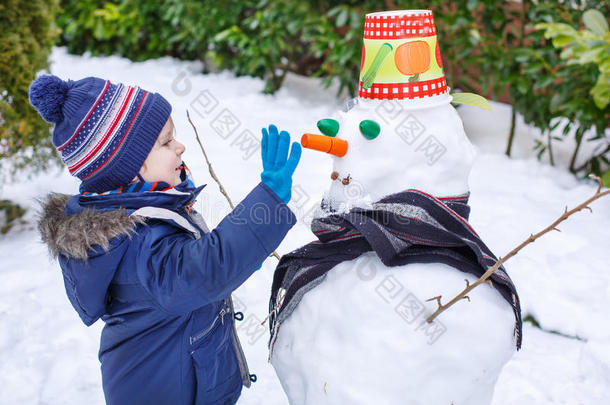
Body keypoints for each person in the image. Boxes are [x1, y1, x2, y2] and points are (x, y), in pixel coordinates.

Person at [30, 74, 301, 404]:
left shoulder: (141, 215)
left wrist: (242, 256)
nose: (180, 147)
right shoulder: (138, 243)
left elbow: (194, 267)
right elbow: (205, 271)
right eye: (166, 142)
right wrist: (268, 200)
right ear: (129, 168)